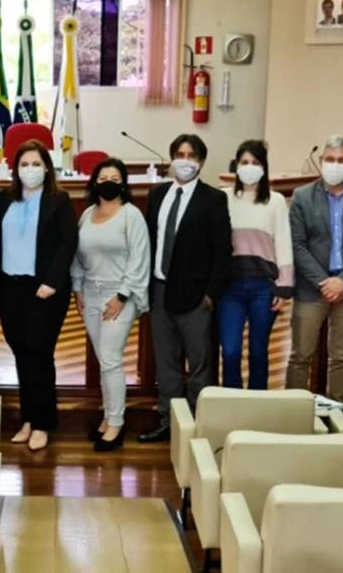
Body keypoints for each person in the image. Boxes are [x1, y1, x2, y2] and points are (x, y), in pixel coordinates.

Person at [138, 134, 232, 443]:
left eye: (192, 156)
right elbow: (148, 241)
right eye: (179, 154)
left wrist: (210, 296)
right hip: (159, 291)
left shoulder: (213, 199)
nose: (185, 160)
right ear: (171, 158)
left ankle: (198, 426)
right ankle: (169, 420)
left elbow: (222, 251)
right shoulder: (157, 194)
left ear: (201, 162)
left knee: (200, 364)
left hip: (196, 297)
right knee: (166, 363)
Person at [286, 134, 343, 404]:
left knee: (341, 357)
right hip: (311, 288)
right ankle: (293, 411)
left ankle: (336, 411)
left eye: (341, 160)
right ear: (321, 160)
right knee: (300, 356)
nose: (335, 164)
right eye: (330, 159)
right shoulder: (302, 196)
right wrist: (324, 282)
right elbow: (297, 245)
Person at [0, 141, 77, 452]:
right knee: (21, 353)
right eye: (24, 164)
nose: (30, 169)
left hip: (44, 290)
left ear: (47, 168)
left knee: (40, 354)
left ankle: (43, 423)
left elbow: (68, 243)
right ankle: (28, 419)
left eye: (36, 164)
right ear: (15, 169)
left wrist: (52, 281)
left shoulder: (59, 199)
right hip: (10, 288)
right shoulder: (5, 198)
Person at [71, 158, 150, 452]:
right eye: (103, 178)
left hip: (119, 295)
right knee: (103, 359)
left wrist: (122, 295)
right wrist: (77, 287)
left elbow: (139, 258)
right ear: (94, 183)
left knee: (111, 358)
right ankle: (107, 416)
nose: (108, 183)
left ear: (123, 184)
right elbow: (78, 255)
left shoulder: (131, 215)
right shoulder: (88, 214)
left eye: (115, 179)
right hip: (90, 294)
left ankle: (117, 423)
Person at [219, 140, 293, 390]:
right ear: (236, 166)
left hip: (264, 287)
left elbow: (283, 242)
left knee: (259, 351)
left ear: (264, 167)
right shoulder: (223, 197)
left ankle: (257, 404)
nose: (249, 167)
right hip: (229, 287)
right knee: (230, 351)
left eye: (255, 162)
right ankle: (232, 401)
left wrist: (284, 286)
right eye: (244, 162)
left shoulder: (276, 201)